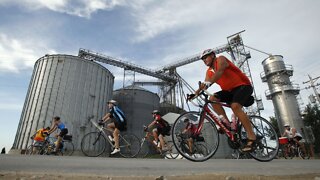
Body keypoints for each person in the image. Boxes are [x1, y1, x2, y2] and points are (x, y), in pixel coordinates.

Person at [188, 49, 256, 152]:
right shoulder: (209, 72)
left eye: (205, 57)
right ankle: (227, 124)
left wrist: (208, 83)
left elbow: (220, 71)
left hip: (243, 86)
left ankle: (252, 137)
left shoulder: (220, 59)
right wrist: (194, 94)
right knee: (212, 98)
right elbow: (205, 84)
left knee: (235, 106)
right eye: (202, 59)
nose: (204, 60)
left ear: (212, 55)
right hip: (228, 91)